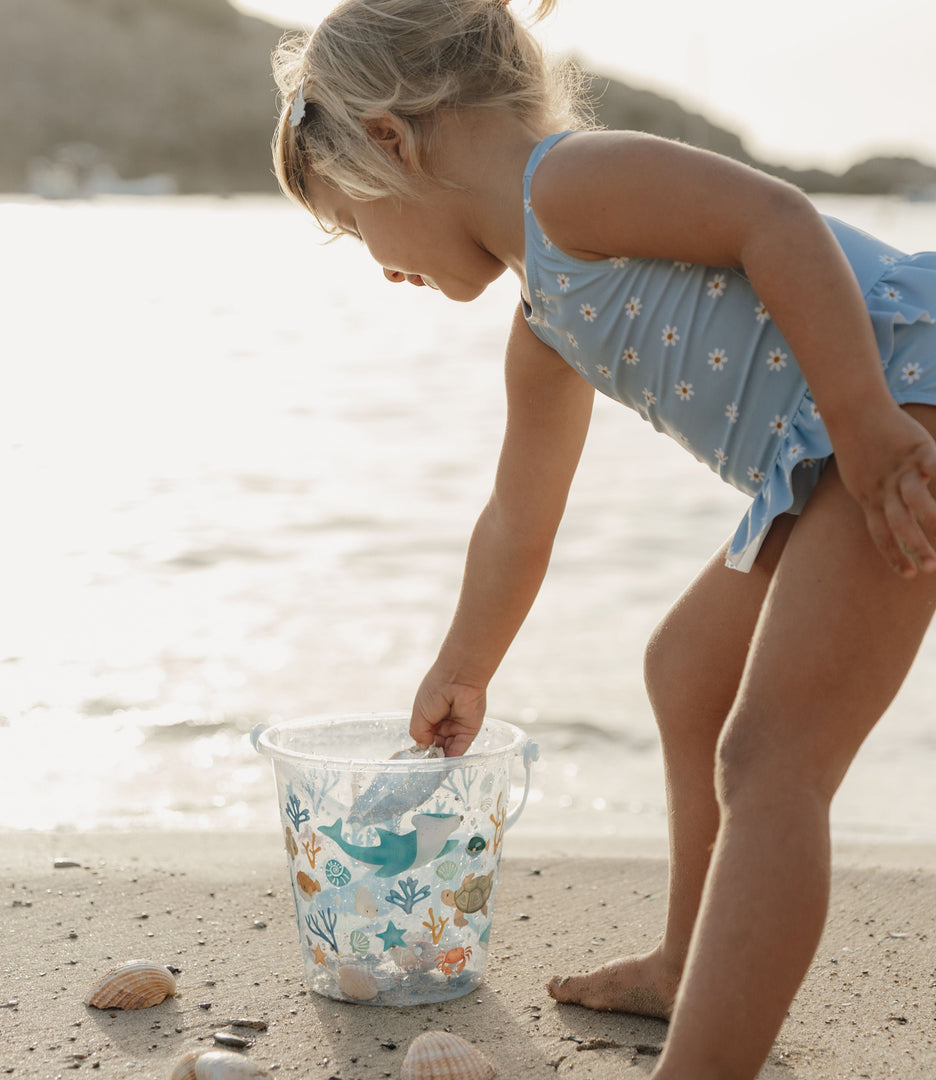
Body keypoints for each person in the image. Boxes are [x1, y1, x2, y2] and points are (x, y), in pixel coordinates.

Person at [271, 1, 936, 1076]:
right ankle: (688, 965)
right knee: (686, 670)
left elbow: (776, 220)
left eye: (354, 224)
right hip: (820, 457)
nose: (376, 261)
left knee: (774, 759)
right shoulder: (543, 328)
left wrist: (865, 419)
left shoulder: (569, 185)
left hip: (899, 401)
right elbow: (516, 521)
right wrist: (464, 666)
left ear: (391, 141)